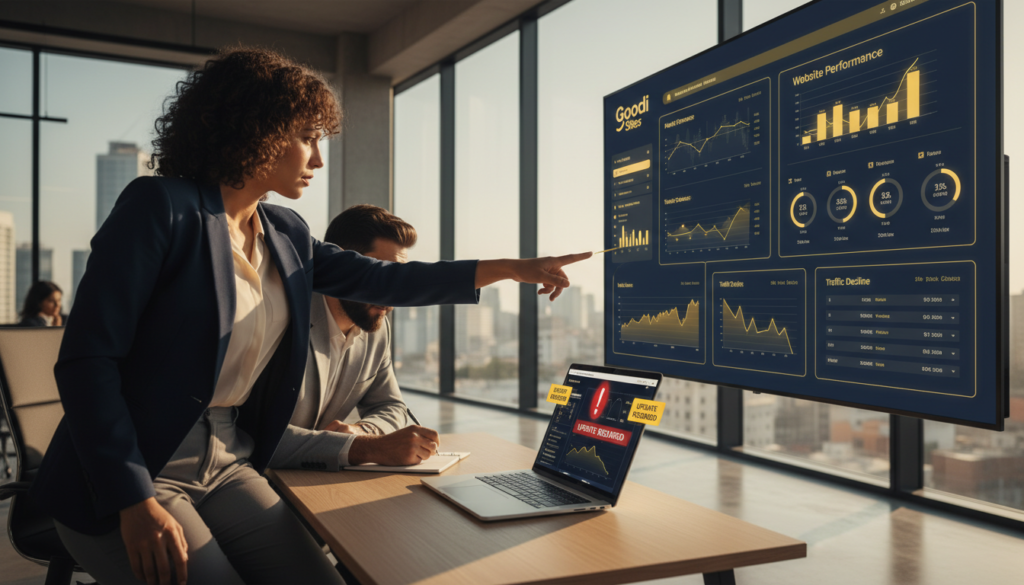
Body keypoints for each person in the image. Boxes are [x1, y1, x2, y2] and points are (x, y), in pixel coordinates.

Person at [31, 47, 590, 585]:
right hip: (136, 471)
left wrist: (514, 268)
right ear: (259, 129)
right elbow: (87, 362)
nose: (318, 160)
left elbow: (384, 278)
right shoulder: (161, 209)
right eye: (307, 138)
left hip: (228, 463)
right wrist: (134, 499)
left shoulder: (287, 233)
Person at [270, 205, 436, 472]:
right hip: (264, 476)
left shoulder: (377, 327)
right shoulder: (283, 317)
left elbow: (390, 405)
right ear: (343, 266)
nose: (391, 297)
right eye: (381, 276)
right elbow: (254, 434)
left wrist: (361, 430)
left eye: (398, 280)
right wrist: (366, 447)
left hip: (322, 477)